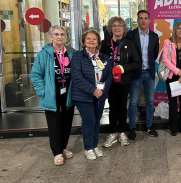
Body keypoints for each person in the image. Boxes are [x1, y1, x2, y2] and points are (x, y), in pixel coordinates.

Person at [31, 25, 76, 166]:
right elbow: (36, 74)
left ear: (66, 37)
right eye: (56, 34)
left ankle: (63, 147)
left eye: (62, 34)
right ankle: (57, 152)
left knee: (67, 122)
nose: (59, 37)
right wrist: (42, 92)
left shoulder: (72, 53)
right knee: (54, 123)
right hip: (51, 93)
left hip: (68, 92)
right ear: (50, 37)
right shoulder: (44, 54)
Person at [71, 30, 112, 160]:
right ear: (84, 41)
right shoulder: (78, 57)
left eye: (94, 39)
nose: (91, 41)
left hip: (100, 95)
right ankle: (88, 148)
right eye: (88, 38)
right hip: (83, 95)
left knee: (96, 121)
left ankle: (94, 145)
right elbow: (77, 77)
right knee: (89, 121)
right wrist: (93, 90)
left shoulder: (104, 57)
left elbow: (109, 76)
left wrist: (102, 90)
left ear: (98, 42)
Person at [100, 17, 141, 147]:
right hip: (109, 81)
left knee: (123, 106)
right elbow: (99, 61)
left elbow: (137, 63)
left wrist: (123, 68)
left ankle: (122, 132)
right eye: (114, 25)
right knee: (112, 107)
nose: (117, 28)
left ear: (124, 28)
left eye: (120, 25)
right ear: (110, 28)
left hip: (124, 80)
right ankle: (112, 133)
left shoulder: (130, 43)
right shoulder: (104, 44)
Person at [126, 10, 160, 139]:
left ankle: (149, 126)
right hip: (136, 73)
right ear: (138, 20)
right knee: (133, 101)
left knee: (150, 101)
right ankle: (132, 128)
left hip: (149, 72)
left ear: (149, 20)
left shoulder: (154, 36)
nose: (143, 21)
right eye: (141, 18)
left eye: (146, 18)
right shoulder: (130, 35)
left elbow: (155, 54)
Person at [161, 22, 181, 136]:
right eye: (179, 28)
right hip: (172, 76)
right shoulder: (167, 42)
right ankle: (173, 127)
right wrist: (177, 72)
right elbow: (165, 59)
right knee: (173, 102)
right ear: (175, 30)